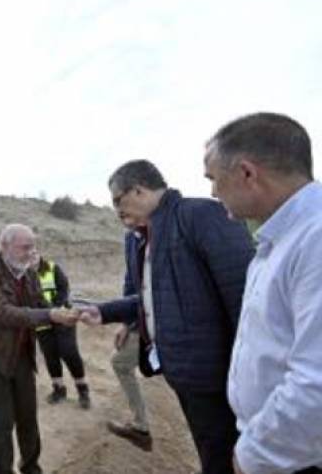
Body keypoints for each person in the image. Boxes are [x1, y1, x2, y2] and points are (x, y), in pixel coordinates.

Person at [76, 160, 254, 474]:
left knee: (229, 459)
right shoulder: (144, 237)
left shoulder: (200, 215)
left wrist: (253, 376)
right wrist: (103, 312)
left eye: (118, 200)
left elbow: (247, 300)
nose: (116, 210)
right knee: (212, 453)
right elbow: (151, 299)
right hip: (186, 376)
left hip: (220, 378)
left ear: (139, 190)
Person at [204, 112, 322, 474]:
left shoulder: (315, 239)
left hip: (293, 458)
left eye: (213, 178)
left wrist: (255, 455)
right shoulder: (282, 239)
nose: (212, 192)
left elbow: (315, 382)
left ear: (246, 173)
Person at [0, 223, 78, 474]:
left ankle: (31, 468)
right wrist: (49, 314)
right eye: (25, 247)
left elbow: (39, 303)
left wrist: (65, 310)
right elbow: (3, 313)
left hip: (22, 357)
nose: (32, 253)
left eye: (33, 247)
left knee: (28, 419)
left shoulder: (29, 273)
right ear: (5, 246)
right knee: (0, 425)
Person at [106, 219, 153, 451]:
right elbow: (131, 280)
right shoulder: (130, 237)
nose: (121, 213)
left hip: (173, 323)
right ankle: (140, 426)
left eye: (122, 202)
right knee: (120, 362)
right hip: (142, 317)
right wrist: (126, 322)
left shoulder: (165, 230)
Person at [31, 254, 91, 409]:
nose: (31, 257)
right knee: (50, 354)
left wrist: (55, 309)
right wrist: (45, 313)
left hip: (63, 316)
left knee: (69, 351)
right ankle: (59, 389)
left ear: (38, 254)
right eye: (28, 255)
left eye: (34, 253)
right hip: (42, 320)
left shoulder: (52, 268)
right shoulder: (24, 275)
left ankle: (82, 390)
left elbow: (64, 289)